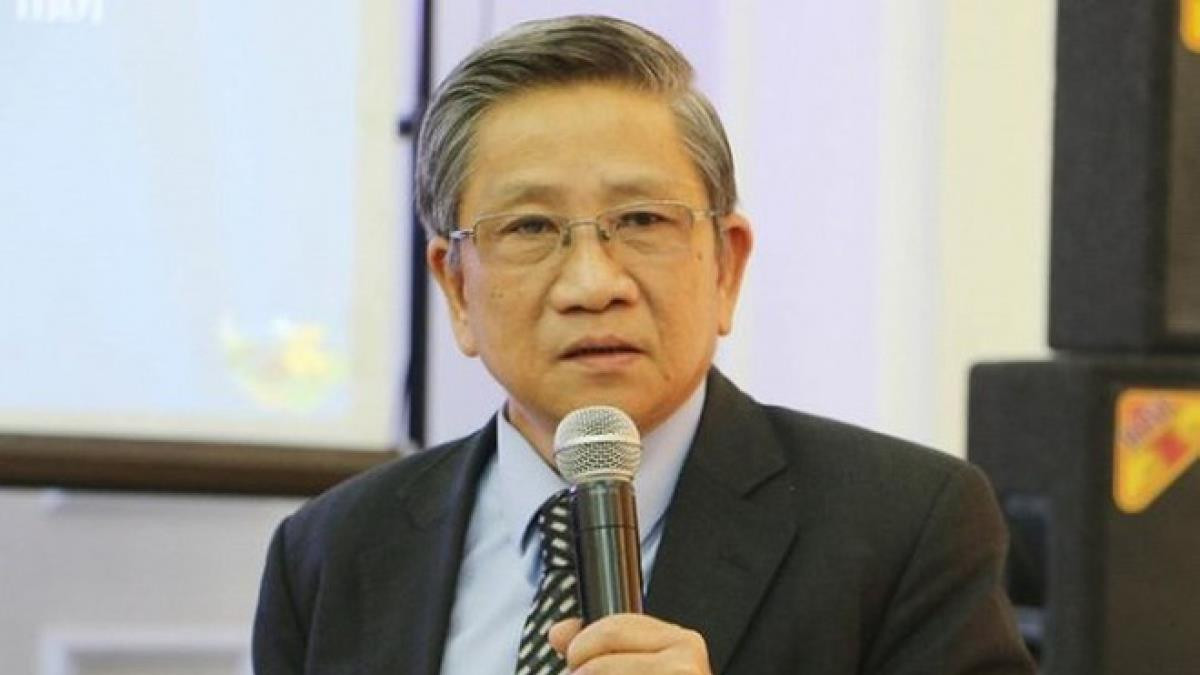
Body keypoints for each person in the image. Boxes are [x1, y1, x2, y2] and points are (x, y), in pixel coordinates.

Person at [253, 15, 1034, 675]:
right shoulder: (330, 551)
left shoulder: (906, 525)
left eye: (642, 220)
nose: (593, 283)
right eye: (531, 227)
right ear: (456, 287)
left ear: (725, 266)